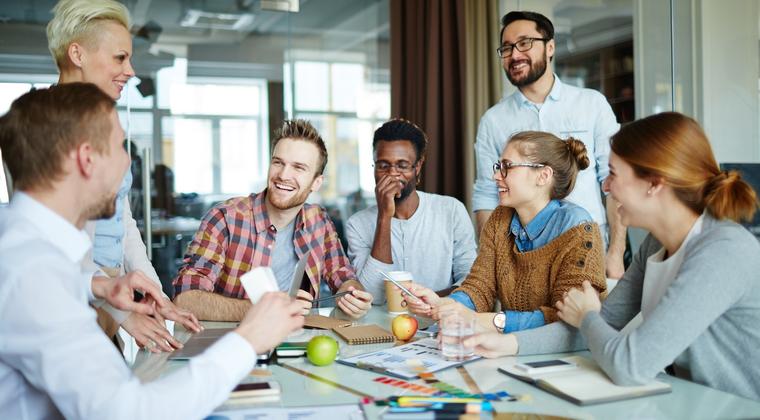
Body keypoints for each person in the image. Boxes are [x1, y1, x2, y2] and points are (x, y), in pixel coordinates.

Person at [0, 83, 305, 419]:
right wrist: (248, 340)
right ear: (87, 159)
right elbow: (128, 413)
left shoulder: (21, 247)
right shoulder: (33, 273)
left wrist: (95, 285)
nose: (127, 162)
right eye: (119, 146)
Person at [465, 113, 760, 401]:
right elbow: (595, 330)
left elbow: (630, 364)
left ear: (653, 183)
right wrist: (506, 344)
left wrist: (587, 316)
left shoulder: (723, 251)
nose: (605, 187)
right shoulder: (655, 244)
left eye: (614, 174)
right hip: (690, 402)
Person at [47, 0, 199, 352]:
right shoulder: (42, 128)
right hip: (71, 304)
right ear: (77, 54)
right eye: (120, 58)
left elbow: (123, 221)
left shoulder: (101, 124)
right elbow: (59, 243)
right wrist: (120, 311)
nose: (131, 71)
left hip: (108, 301)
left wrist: (158, 295)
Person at [472, 10, 626, 279]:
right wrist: (494, 262)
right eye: (506, 48)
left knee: (585, 319)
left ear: (550, 46)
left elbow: (616, 182)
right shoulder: (494, 120)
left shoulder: (591, 104)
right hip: (524, 254)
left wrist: (615, 252)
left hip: (589, 247)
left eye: (524, 43)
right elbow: (487, 195)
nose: (514, 55)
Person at [405, 131, 606, 333]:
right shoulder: (500, 219)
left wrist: (487, 321)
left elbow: (567, 319)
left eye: (507, 167)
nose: (496, 175)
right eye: (498, 166)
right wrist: (443, 305)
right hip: (508, 351)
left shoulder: (579, 231)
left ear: (543, 176)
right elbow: (480, 287)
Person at [173, 120, 373, 321]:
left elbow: (343, 276)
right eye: (278, 162)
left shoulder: (319, 222)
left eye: (298, 167)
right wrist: (264, 310)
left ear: (316, 182)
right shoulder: (225, 218)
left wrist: (352, 294)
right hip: (238, 343)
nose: (284, 175)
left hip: (301, 341)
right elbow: (185, 299)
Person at [344, 119, 477, 302]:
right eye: (383, 165)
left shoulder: (451, 210)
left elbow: (471, 280)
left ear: (418, 166)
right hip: (380, 328)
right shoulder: (357, 224)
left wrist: (427, 301)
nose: (392, 174)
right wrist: (384, 217)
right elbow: (371, 295)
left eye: (402, 165)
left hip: (439, 321)